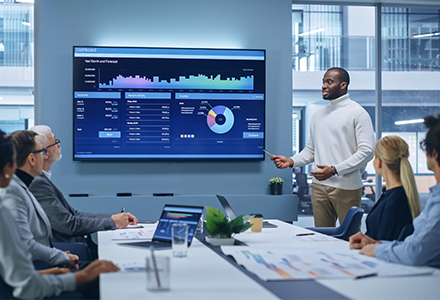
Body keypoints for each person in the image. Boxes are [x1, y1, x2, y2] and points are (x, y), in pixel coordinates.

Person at [0, 130, 120, 300]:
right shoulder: (11, 194)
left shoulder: (22, 188)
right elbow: (25, 277)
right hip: (32, 278)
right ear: (31, 159)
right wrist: (78, 274)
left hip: (38, 268)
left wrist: (56, 264)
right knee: (101, 278)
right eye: (41, 152)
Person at [271, 67, 375, 227]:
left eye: (329, 82)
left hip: (346, 187)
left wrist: (334, 170)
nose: (323, 86)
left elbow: (367, 152)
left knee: (350, 238)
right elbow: (311, 151)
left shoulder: (358, 113)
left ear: (343, 85)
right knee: (322, 237)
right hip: (319, 187)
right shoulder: (318, 116)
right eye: (323, 82)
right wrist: (291, 161)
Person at [28, 125, 138, 259]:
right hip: (72, 251)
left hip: (80, 246)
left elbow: (75, 214)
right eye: (55, 142)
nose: (59, 145)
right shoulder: (37, 182)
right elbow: (67, 224)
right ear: (44, 153)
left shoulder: (43, 179)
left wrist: (113, 217)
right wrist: (112, 222)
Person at [349, 113, 440, 268]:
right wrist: (378, 244)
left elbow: (415, 252)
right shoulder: (433, 198)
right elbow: (412, 244)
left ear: (434, 153)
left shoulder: (400, 201)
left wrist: (377, 248)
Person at [0, 130, 78, 268]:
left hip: (43, 262)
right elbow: (26, 246)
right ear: (31, 159)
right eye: (41, 152)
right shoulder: (13, 192)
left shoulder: (24, 186)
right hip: (37, 269)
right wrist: (61, 258)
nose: (44, 157)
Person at [364, 135, 421, 241]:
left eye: (374, 157)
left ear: (379, 162)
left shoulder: (395, 202)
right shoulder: (393, 195)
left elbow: (384, 243)